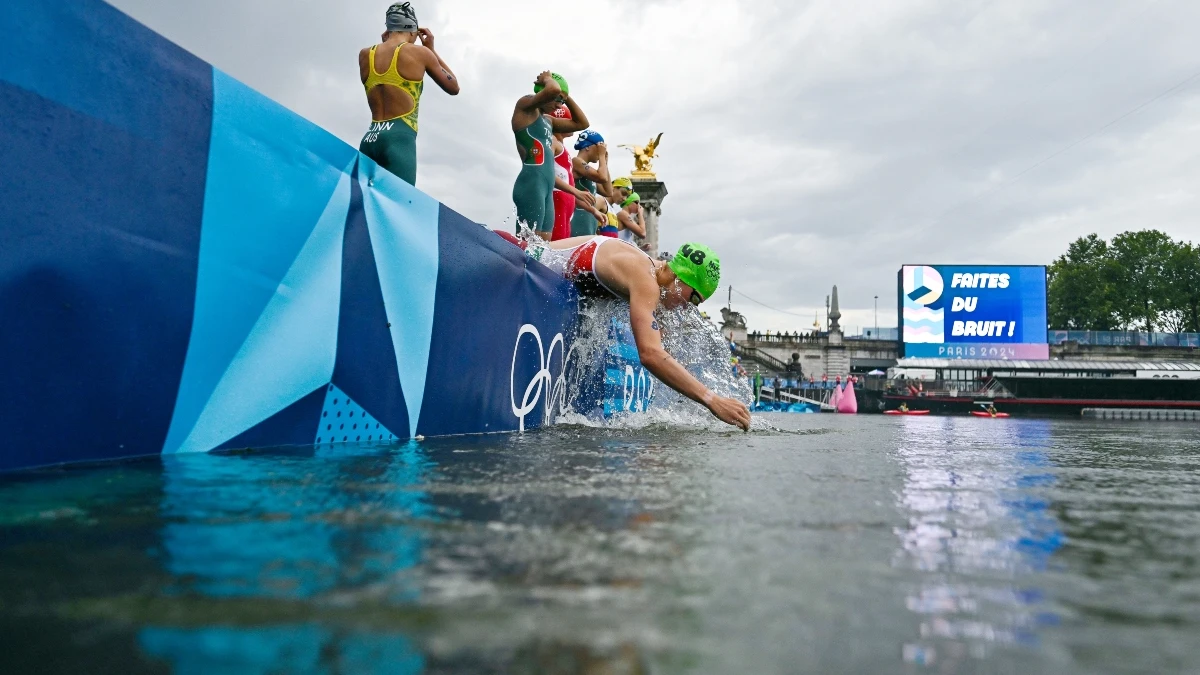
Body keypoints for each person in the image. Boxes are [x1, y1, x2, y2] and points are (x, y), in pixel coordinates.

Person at [494, 233, 750, 430]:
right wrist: (711, 400)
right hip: (509, 261)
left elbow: (667, 354)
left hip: (522, 269)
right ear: (681, 278)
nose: (688, 308)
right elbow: (650, 354)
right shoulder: (645, 279)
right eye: (693, 299)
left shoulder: (657, 279)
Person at [359, 2, 459, 185]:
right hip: (399, 140)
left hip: (370, 138)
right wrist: (431, 49)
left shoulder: (365, 55)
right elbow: (454, 87)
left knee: (362, 210)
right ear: (412, 30)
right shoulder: (420, 53)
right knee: (399, 208)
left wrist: (387, 41)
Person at [511, 72, 589, 239]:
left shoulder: (549, 121)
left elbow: (582, 123)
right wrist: (547, 79)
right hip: (532, 182)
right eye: (558, 99)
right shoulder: (525, 107)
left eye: (563, 101)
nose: (560, 106)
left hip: (546, 186)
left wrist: (566, 96)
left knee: (543, 248)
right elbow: (553, 89)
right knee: (526, 245)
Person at [570, 131, 611, 237]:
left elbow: (608, 191)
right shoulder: (576, 161)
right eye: (599, 147)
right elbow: (602, 177)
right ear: (587, 147)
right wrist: (602, 156)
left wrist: (605, 163)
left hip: (589, 220)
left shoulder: (590, 174)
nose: (600, 151)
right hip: (578, 219)